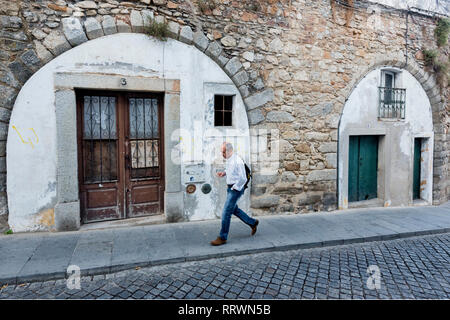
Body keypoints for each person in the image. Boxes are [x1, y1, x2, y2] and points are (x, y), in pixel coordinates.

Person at [210, 142, 259, 246]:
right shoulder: (229, 159)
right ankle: (252, 222)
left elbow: (243, 178)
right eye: (221, 152)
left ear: (229, 150)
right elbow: (231, 170)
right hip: (231, 188)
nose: (222, 154)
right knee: (234, 209)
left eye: (223, 152)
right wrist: (224, 173)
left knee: (226, 212)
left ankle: (222, 237)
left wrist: (234, 188)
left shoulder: (237, 160)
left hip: (235, 189)